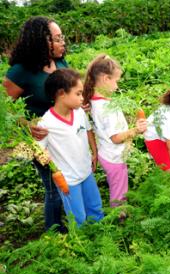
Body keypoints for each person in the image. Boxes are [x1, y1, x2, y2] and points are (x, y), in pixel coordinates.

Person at [2, 16, 68, 232]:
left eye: (62, 37)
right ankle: (54, 233)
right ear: (41, 41)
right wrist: (26, 124)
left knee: (68, 178)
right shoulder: (22, 71)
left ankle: (68, 222)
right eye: (57, 39)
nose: (62, 42)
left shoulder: (60, 62)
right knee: (54, 187)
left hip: (64, 134)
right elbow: (4, 108)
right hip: (39, 140)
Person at [37, 69, 104, 227]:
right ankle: (82, 245)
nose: (82, 98)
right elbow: (39, 150)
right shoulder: (46, 123)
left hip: (86, 172)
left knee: (95, 208)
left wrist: (94, 153)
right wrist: (43, 155)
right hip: (68, 180)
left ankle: (101, 236)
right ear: (61, 94)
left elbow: (87, 130)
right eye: (78, 94)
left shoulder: (79, 112)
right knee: (78, 217)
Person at [83, 54, 147, 207]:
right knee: (119, 195)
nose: (117, 86)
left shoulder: (96, 100)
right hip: (114, 157)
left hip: (107, 152)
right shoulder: (106, 107)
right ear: (106, 79)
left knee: (119, 188)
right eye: (116, 81)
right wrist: (136, 130)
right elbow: (116, 138)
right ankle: (119, 221)